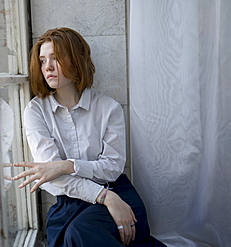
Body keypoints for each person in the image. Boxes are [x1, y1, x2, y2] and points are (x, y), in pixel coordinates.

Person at [11, 27, 166, 247]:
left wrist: (67, 165)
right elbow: (52, 178)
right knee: (76, 234)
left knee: (81, 232)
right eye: (43, 60)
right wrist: (104, 197)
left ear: (75, 60)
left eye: (56, 59)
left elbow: (112, 167)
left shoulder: (108, 108)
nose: (48, 68)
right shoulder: (35, 111)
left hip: (118, 191)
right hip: (72, 204)